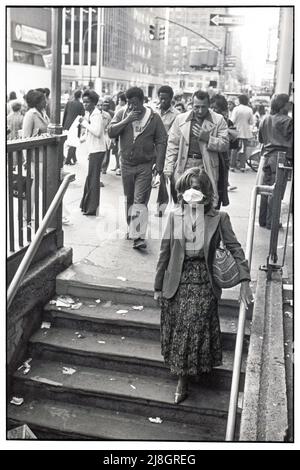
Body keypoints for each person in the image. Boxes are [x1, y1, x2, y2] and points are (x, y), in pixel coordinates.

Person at [154, 167, 253, 404]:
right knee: (180, 327)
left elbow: (236, 249)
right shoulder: (175, 215)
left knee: (193, 325)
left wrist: (245, 281)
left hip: (203, 280)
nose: (191, 192)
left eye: (196, 188)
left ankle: (183, 380)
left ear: (205, 192)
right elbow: (164, 252)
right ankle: (187, 370)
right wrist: (158, 286)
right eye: (188, 187)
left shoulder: (219, 218)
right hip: (177, 279)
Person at [108, 86, 167, 249]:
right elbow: (110, 132)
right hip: (126, 164)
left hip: (145, 165)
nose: (132, 107)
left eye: (135, 103)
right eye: (129, 103)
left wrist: (160, 163)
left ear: (142, 101)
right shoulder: (121, 113)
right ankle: (132, 228)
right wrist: (127, 120)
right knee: (129, 199)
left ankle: (138, 236)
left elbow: (162, 140)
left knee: (140, 200)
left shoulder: (153, 117)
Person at [164, 90, 229, 208]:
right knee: (183, 199)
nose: (199, 110)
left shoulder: (218, 120)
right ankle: (186, 225)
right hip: (185, 164)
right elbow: (172, 145)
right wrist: (169, 167)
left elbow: (225, 144)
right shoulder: (181, 119)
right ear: (191, 104)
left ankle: (201, 224)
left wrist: (208, 138)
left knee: (205, 200)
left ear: (209, 105)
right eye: (196, 107)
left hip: (206, 165)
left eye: (203, 107)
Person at [258, 93, 293, 229]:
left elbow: (261, 139)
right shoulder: (288, 121)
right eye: (288, 103)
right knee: (277, 191)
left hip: (266, 157)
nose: (290, 105)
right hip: (280, 157)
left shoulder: (265, 119)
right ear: (282, 105)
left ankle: (263, 220)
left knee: (265, 190)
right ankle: (272, 222)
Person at [79, 89, 106, 216]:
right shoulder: (91, 114)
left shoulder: (96, 115)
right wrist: (81, 139)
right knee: (91, 179)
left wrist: (84, 123)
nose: (85, 105)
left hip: (97, 151)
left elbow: (97, 132)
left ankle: (91, 208)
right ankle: (87, 206)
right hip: (94, 150)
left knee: (93, 180)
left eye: (87, 102)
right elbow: (90, 133)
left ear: (94, 103)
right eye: (83, 102)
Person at [154, 85, 180, 216]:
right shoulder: (153, 111)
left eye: (165, 99)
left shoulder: (177, 115)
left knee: (165, 179)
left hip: (166, 150)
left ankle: (161, 207)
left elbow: (172, 135)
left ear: (171, 98)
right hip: (151, 148)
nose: (163, 101)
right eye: (161, 98)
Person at [230, 94, 254, 172]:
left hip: (236, 131)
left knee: (234, 149)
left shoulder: (236, 109)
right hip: (246, 132)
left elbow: (232, 120)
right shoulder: (249, 110)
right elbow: (251, 122)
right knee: (243, 149)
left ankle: (232, 166)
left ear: (240, 100)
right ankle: (242, 166)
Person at [62, 89, 85, 165]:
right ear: (80, 96)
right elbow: (83, 114)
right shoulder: (80, 104)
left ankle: (74, 159)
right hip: (75, 125)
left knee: (72, 141)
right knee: (73, 143)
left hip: (67, 124)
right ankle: (68, 160)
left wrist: (63, 125)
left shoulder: (69, 103)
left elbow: (65, 114)